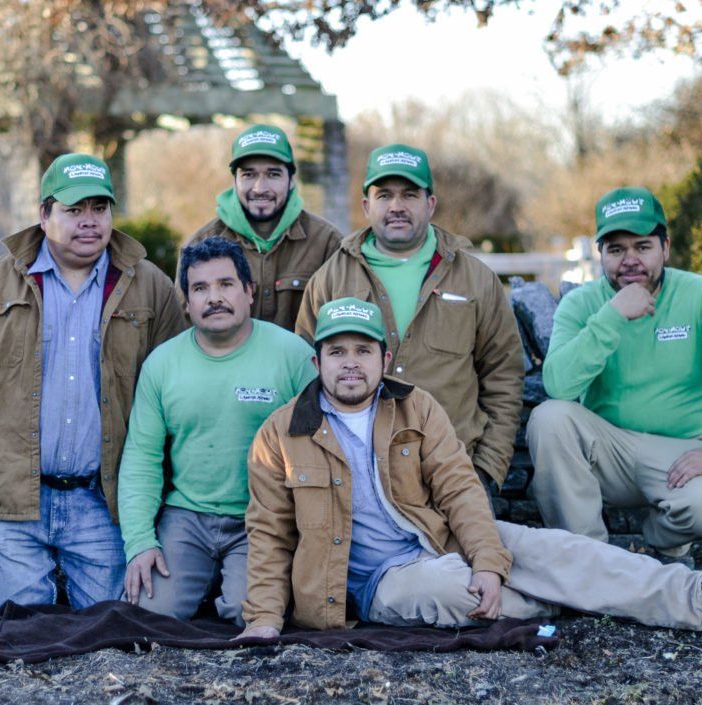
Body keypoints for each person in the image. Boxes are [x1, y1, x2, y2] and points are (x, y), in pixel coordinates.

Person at [239, 298, 702, 637]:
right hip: (379, 581)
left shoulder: (415, 407)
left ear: (384, 358)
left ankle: (700, 597)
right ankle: (574, 599)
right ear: (317, 363)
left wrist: (486, 560)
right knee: (451, 589)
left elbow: (460, 489)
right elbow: (269, 533)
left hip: (440, 537)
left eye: (362, 350)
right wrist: (263, 618)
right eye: (337, 352)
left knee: (559, 550)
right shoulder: (280, 434)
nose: (350, 362)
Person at [0, 153, 184, 612]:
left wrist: (161, 501)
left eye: (99, 208)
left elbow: (176, 393)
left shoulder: (149, 286)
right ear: (44, 214)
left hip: (102, 504)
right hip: (14, 502)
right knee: (17, 620)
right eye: (74, 210)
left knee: (118, 621)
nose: (89, 221)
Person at [527, 186, 702, 562]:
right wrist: (612, 316)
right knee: (549, 418)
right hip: (607, 451)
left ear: (665, 248)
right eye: (616, 250)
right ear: (601, 254)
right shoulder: (581, 304)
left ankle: (658, 542)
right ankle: (588, 559)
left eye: (642, 247)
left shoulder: (700, 295)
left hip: (682, 452)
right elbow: (559, 385)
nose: (630, 260)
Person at [296, 143, 523, 492]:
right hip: (352, 478)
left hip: (452, 472)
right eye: (384, 195)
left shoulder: (476, 280)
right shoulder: (330, 279)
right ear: (366, 206)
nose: (397, 206)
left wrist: (487, 468)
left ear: (430, 204)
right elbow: (305, 378)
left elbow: (504, 375)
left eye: (409, 195)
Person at [118, 236, 317, 624]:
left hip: (262, 517)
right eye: (200, 288)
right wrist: (140, 543)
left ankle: (229, 590)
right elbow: (142, 459)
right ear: (186, 303)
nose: (214, 298)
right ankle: (198, 580)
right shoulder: (162, 364)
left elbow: (323, 450)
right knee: (149, 613)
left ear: (249, 292)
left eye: (226, 284)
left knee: (250, 614)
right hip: (186, 516)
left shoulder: (293, 355)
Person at [182, 123, 343, 331]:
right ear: (235, 180)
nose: (260, 188)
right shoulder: (199, 244)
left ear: (291, 180)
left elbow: (341, 330)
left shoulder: (328, 242)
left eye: (273, 174)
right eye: (248, 175)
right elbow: (184, 328)